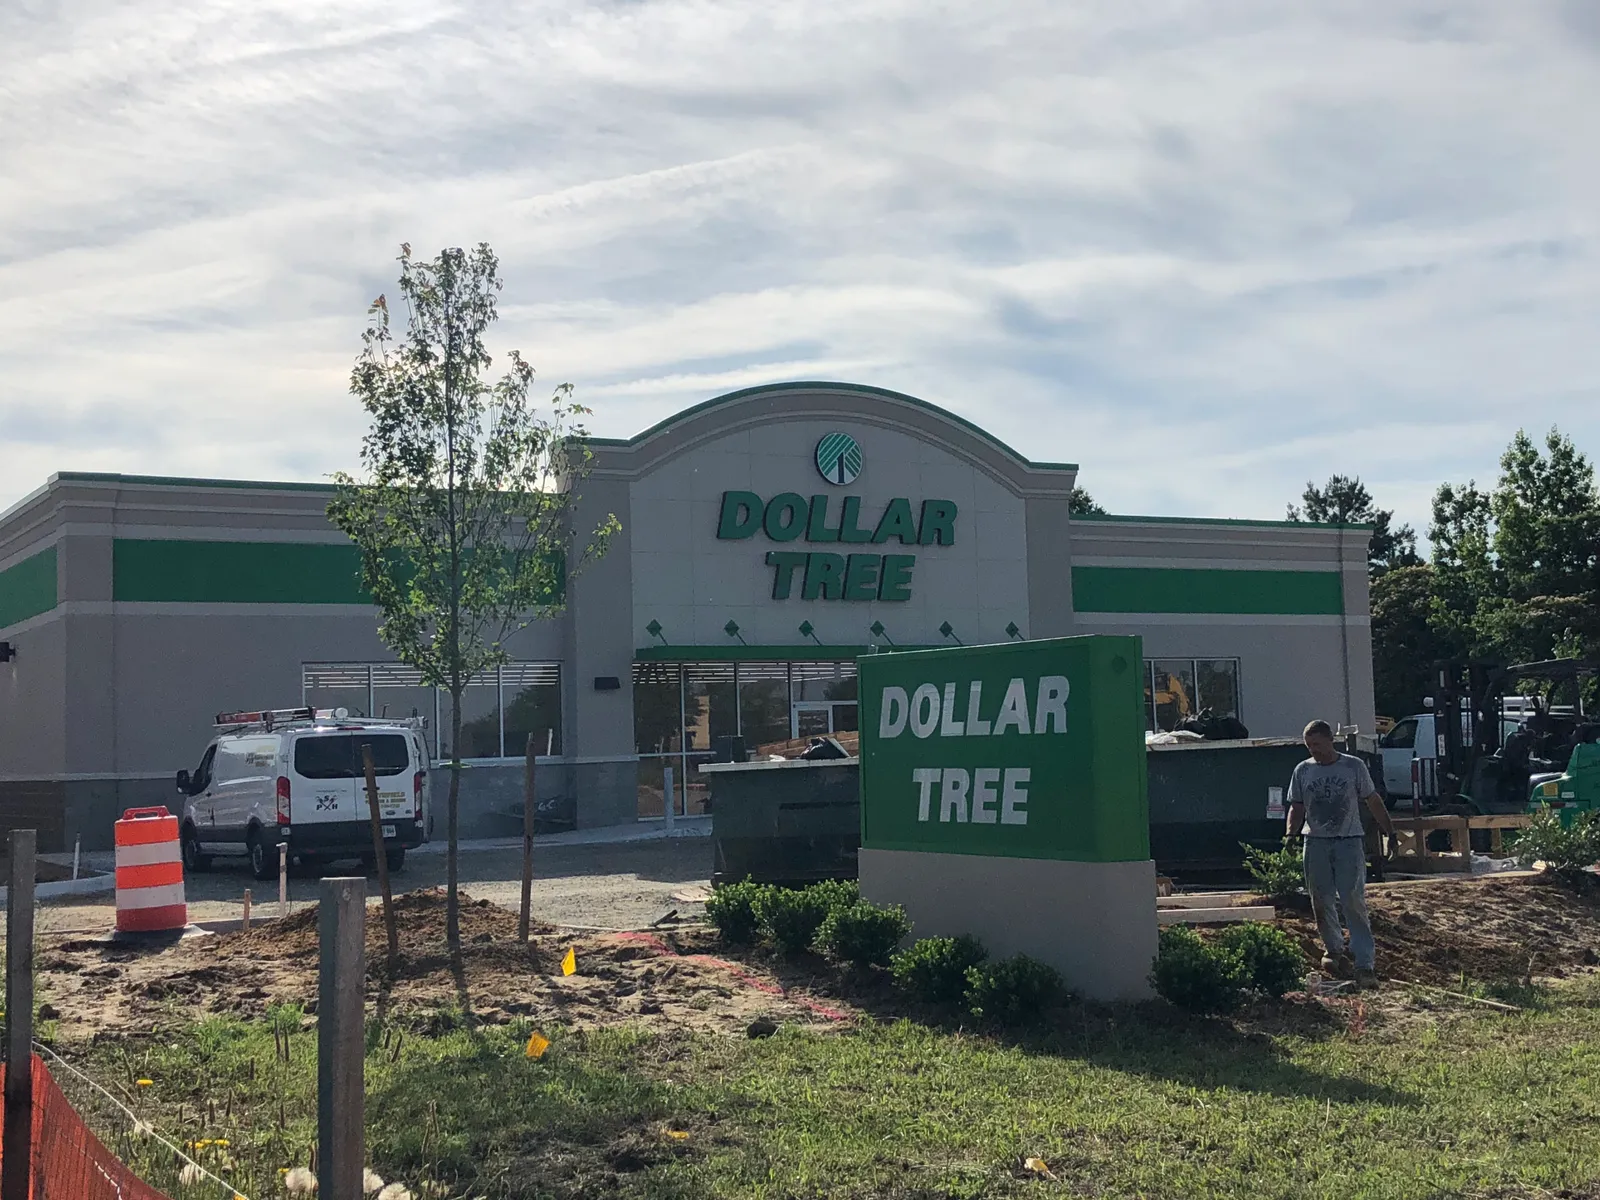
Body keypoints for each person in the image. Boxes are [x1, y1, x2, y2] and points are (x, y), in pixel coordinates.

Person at [1286, 720, 1395, 988]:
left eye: (1318, 745)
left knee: (1352, 899)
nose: (1314, 750)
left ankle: (1364, 963)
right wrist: (1290, 833)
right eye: (1309, 746)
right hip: (1315, 842)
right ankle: (1333, 949)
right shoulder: (1303, 771)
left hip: (1348, 841)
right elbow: (1296, 806)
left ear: (1330, 741)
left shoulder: (1353, 766)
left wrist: (1389, 832)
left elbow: (1373, 800)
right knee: (1320, 899)